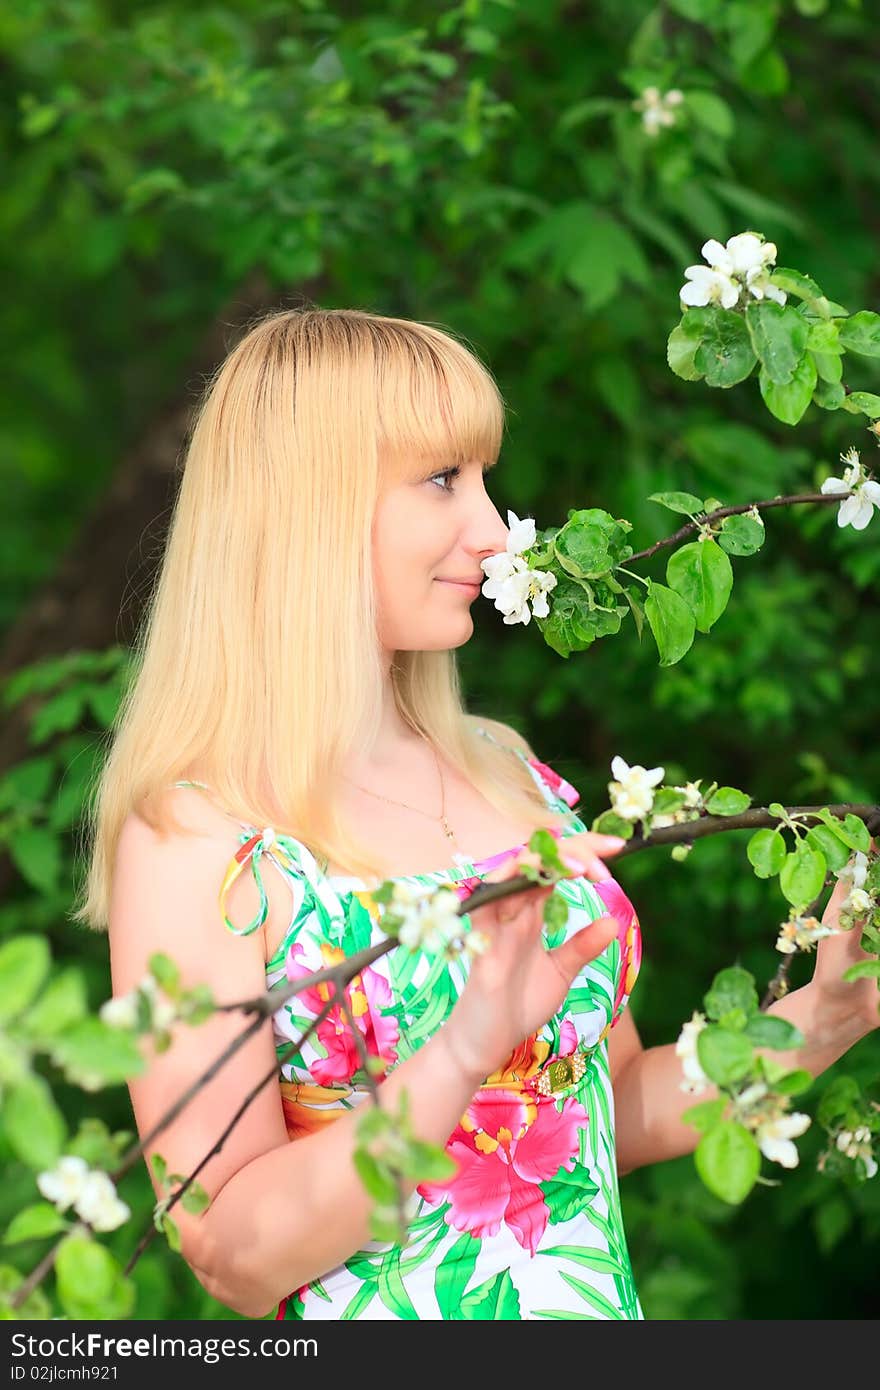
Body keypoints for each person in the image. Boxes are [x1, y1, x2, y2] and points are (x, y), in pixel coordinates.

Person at [75, 307, 878, 1322]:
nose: (496, 529)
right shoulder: (200, 839)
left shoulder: (507, 772)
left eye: (483, 480)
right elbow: (233, 1256)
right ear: (308, 508)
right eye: (442, 480)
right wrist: (456, 1054)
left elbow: (604, 1113)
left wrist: (825, 1015)